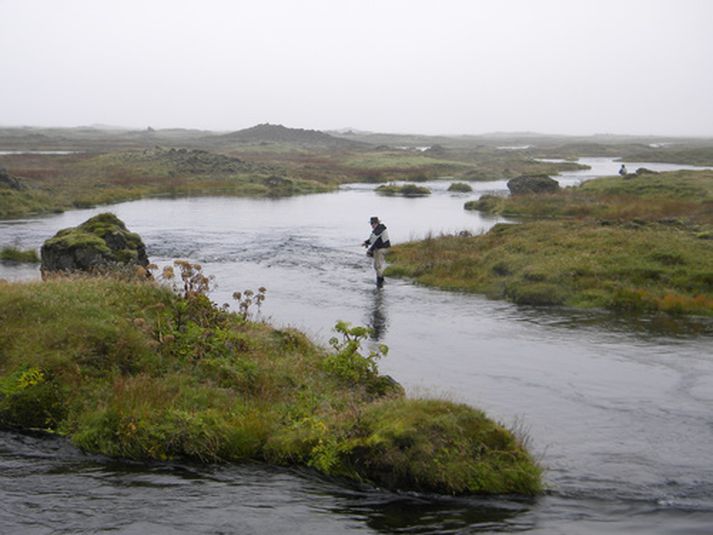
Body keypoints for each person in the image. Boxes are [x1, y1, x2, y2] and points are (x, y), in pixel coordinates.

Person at [362, 216, 390, 287]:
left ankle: (380, 283)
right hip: (380, 249)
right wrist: (366, 242)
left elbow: (375, 241)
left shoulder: (379, 230)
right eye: (371, 224)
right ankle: (381, 281)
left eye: (372, 224)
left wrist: (370, 250)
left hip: (382, 249)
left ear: (376, 223)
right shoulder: (379, 229)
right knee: (376, 266)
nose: (371, 225)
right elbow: (372, 240)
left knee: (378, 266)